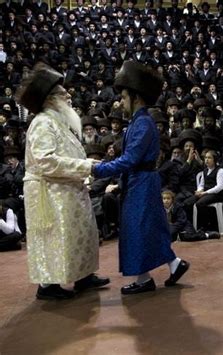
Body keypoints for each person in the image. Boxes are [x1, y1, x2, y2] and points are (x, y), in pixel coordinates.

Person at [92, 61, 190, 295]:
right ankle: (170, 267)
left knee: (138, 229)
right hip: (138, 181)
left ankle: (148, 277)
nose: (121, 102)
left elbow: (129, 160)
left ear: (136, 97)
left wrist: (98, 169)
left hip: (142, 182)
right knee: (146, 229)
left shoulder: (143, 123)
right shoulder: (138, 122)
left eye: (125, 97)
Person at [16, 63, 109, 300]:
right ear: (48, 100)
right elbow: (46, 161)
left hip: (68, 187)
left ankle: (83, 276)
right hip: (49, 192)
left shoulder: (58, 121)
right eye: (61, 93)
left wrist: (82, 170)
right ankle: (47, 286)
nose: (68, 95)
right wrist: (86, 166)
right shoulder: (43, 123)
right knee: (54, 239)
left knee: (81, 233)